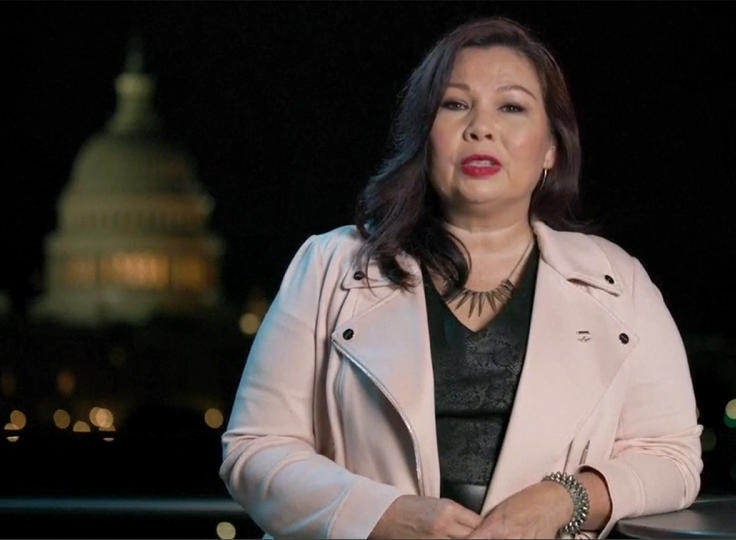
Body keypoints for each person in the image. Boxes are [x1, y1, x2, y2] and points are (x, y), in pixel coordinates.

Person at [220, 16, 702, 539]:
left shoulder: (619, 282)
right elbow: (256, 449)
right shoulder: (328, 266)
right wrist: (382, 515)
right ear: (424, 136)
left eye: (512, 107)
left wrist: (566, 497)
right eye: (454, 105)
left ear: (550, 149)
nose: (481, 127)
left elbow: (673, 459)